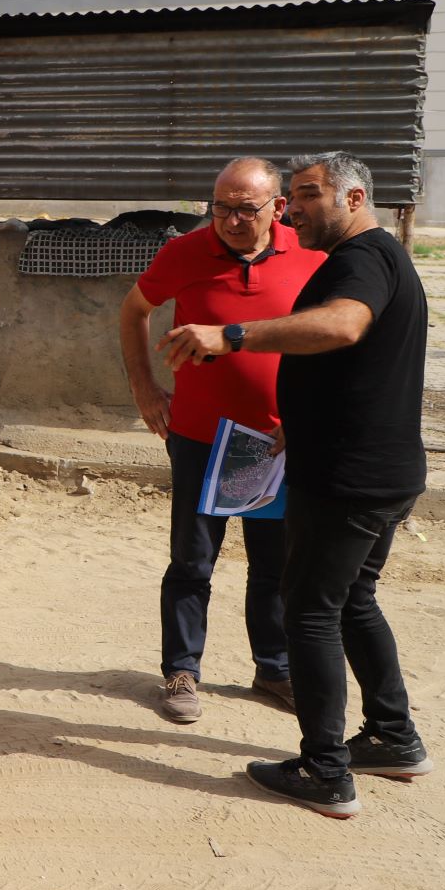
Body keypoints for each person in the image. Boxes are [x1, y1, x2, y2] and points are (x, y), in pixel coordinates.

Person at [158, 151, 432, 819]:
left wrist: (232, 335)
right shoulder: (378, 257)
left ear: (355, 199)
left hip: (346, 477)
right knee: (355, 600)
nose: (297, 208)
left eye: (310, 195)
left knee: (309, 611)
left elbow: (343, 325)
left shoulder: (360, 259)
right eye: (296, 195)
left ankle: (324, 770)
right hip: (381, 469)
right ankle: (393, 736)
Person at [120, 157, 323, 725]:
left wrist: (310, 414)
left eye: (245, 209)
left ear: (277, 208)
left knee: (275, 565)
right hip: (200, 438)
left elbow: (331, 334)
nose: (231, 221)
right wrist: (144, 388)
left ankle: (274, 668)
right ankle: (181, 671)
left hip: (277, 442)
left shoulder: (313, 255)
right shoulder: (184, 253)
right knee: (192, 562)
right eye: (221, 208)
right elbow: (134, 310)